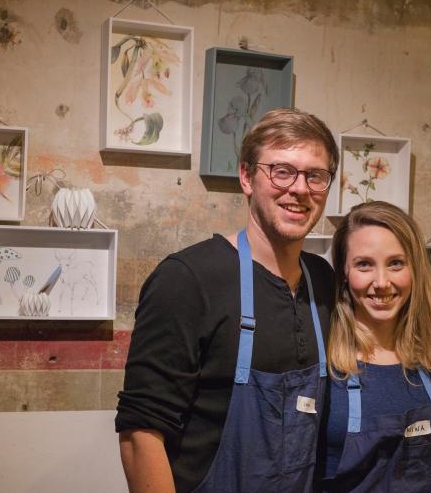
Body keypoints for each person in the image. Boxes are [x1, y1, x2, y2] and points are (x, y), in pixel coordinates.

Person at [115, 108, 340, 492]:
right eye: (282, 171)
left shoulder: (324, 281)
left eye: (314, 176)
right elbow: (141, 436)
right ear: (247, 177)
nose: (300, 189)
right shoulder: (187, 279)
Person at [316, 201, 431, 492]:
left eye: (396, 263)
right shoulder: (322, 361)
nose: (382, 282)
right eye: (364, 264)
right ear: (344, 272)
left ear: (414, 269)